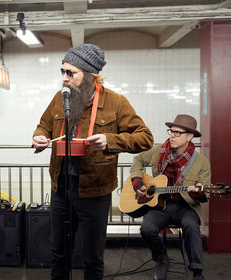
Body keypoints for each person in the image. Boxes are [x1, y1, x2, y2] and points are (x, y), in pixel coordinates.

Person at [32, 44, 154, 280]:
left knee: (92, 258)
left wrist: (110, 140)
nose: (64, 78)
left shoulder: (116, 102)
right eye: (62, 72)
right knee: (59, 254)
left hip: (94, 193)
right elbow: (43, 125)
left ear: (89, 75)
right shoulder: (60, 98)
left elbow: (145, 137)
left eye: (71, 73)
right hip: (61, 188)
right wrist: (39, 136)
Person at [130, 114, 210, 280]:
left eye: (177, 133)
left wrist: (198, 191)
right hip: (161, 205)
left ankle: (197, 271)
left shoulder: (201, 162)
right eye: (171, 132)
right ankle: (162, 259)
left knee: (191, 227)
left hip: (185, 207)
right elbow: (138, 159)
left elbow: (204, 195)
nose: (172, 136)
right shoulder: (159, 151)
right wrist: (137, 181)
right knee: (146, 229)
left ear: (189, 137)